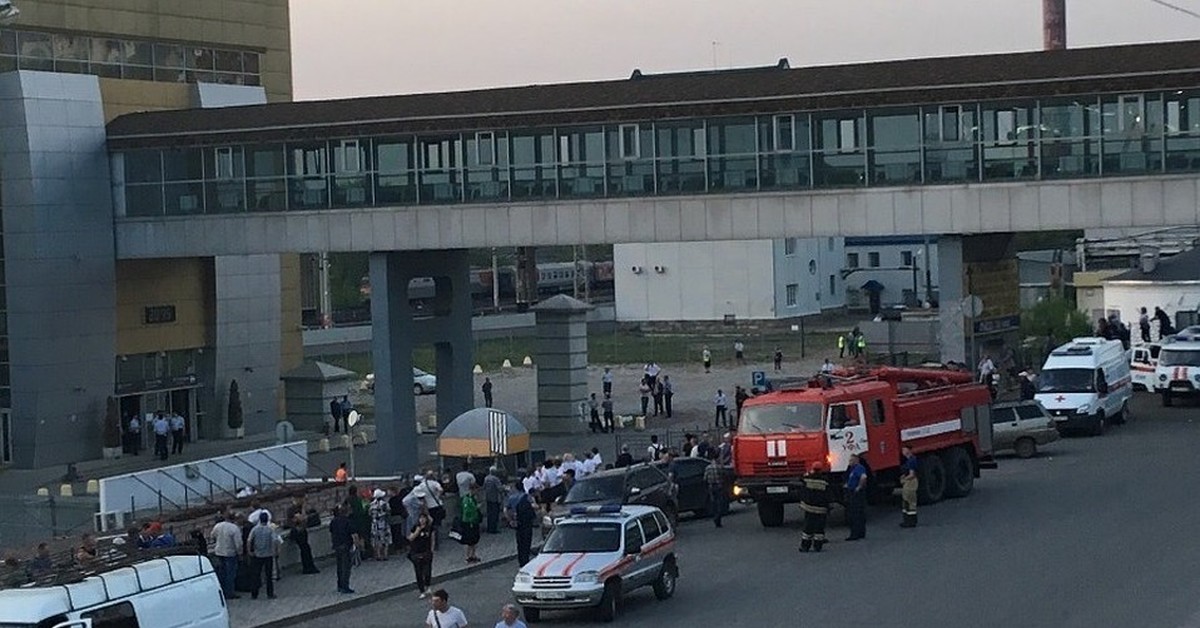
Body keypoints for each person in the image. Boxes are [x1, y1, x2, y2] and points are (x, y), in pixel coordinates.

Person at [210, 512, 243, 599]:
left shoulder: (218, 526)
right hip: (230, 553)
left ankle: (222, 591)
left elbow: (212, 536)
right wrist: (240, 553)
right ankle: (230, 593)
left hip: (219, 552)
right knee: (230, 574)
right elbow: (238, 543)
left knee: (222, 572)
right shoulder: (234, 528)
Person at [798, 462, 831, 552]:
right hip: (821, 508)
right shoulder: (825, 481)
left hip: (809, 507)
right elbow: (828, 495)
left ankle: (805, 546)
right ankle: (818, 546)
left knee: (808, 527)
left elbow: (801, 480)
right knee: (819, 528)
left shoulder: (807, 479)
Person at [505, 480, 537, 566]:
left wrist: (510, 520)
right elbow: (535, 506)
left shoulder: (511, 498)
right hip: (527, 522)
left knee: (520, 542)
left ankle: (521, 560)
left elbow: (506, 509)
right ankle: (525, 559)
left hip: (517, 522)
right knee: (527, 542)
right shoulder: (527, 497)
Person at [247, 512, 278, 600]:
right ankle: (270, 593)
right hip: (268, 555)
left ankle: (254, 594)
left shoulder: (255, 529)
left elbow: (249, 540)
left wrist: (250, 551)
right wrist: (275, 551)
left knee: (256, 575)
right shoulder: (270, 529)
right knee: (269, 576)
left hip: (257, 555)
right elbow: (274, 540)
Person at [329, 504, 357, 594]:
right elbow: (353, 534)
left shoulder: (333, 521)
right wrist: (357, 546)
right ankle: (345, 586)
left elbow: (331, 531)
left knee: (339, 567)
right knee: (346, 567)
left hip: (337, 545)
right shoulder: (348, 521)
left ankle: (340, 585)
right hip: (346, 546)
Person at [408, 512, 436, 598]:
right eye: (421, 518)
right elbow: (410, 538)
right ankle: (422, 590)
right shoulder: (415, 527)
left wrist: (431, 550)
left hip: (426, 551)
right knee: (419, 572)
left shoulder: (430, 528)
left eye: (424, 518)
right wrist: (418, 531)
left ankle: (428, 586)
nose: (422, 520)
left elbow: (432, 539)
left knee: (427, 571)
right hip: (416, 552)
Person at [844, 454, 868, 541]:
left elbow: (863, 477)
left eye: (851, 460)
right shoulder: (852, 469)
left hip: (856, 494)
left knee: (855, 514)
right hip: (853, 492)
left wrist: (859, 487)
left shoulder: (859, 468)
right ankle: (860, 533)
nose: (850, 462)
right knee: (858, 513)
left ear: (856, 460)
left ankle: (855, 534)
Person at [704, 450, 730, 528]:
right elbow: (724, 476)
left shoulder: (708, 468)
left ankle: (715, 516)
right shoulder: (719, 467)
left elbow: (705, 478)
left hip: (711, 487)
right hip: (719, 486)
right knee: (720, 503)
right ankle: (718, 518)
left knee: (713, 503)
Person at [458, 486, 482, 563]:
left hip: (474, 521)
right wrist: (476, 508)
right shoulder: (467, 499)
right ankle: (468, 556)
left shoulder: (473, 498)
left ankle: (473, 555)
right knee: (469, 540)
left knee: (474, 540)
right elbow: (467, 511)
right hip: (469, 522)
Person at [899, 446, 919, 528]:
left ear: (909, 450)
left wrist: (904, 479)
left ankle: (911, 521)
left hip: (910, 482)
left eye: (904, 449)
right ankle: (907, 520)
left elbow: (912, 474)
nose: (902, 451)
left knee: (910, 501)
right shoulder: (909, 460)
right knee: (906, 501)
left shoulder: (911, 461)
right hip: (909, 482)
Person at [369, 489, 393, 560]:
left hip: (375, 524)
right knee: (386, 539)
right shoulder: (385, 504)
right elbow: (389, 513)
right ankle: (385, 555)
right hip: (384, 523)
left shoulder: (371, 504)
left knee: (376, 539)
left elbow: (369, 514)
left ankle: (378, 555)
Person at [483, 467, 504, 534]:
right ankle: (494, 529)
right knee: (495, 514)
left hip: (488, 498)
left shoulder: (486, 478)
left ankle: (489, 528)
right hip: (495, 498)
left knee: (489, 514)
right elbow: (500, 489)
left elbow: (484, 487)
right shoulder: (495, 479)